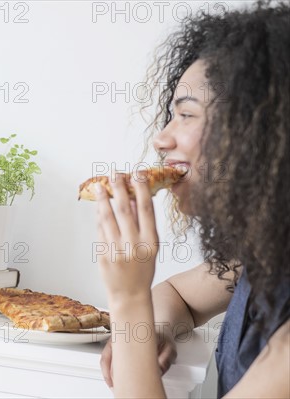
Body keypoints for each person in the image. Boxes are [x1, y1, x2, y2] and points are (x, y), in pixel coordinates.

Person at [96, 1, 289, 398]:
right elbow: (178, 295)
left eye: (186, 115)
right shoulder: (265, 259)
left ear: (259, 131)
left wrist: (128, 300)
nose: (161, 139)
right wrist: (156, 328)